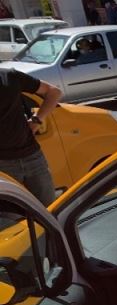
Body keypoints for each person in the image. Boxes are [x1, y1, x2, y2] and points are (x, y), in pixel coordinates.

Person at [0, 69, 62, 206]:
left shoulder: (9, 76)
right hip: (3, 167)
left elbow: (54, 92)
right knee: (11, 216)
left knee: (49, 211)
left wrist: (37, 121)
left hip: (33, 157)